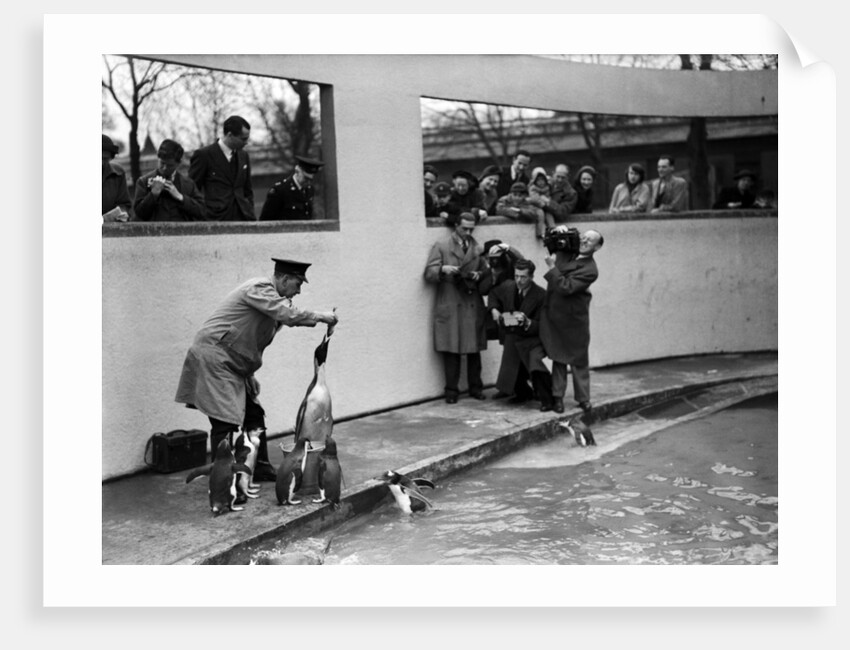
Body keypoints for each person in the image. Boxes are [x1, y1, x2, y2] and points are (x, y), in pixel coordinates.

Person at [175, 258, 339, 480]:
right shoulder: (260, 288)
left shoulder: (272, 301)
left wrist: (249, 374)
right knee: (224, 420)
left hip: (232, 365)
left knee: (254, 415)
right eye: (298, 284)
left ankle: (260, 468)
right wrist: (320, 316)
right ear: (283, 279)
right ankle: (221, 480)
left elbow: (247, 339)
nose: (298, 291)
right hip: (214, 358)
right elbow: (288, 316)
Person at [423, 213, 490, 404]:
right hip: (451, 300)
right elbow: (429, 273)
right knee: (451, 349)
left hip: (471, 301)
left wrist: (479, 275)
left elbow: (487, 271)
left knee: (474, 349)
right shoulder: (442, 245)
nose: (468, 232)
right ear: (456, 226)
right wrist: (443, 269)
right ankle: (451, 391)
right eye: (464, 228)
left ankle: (476, 387)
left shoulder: (477, 248)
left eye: (471, 229)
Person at [540, 227, 604, 414]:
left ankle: (583, 399)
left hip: (575, 319)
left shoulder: (590, 269)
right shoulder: (568, 249)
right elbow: (549, 240)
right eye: (583, 238)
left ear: (597, 247)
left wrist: (552, 268)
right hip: (556, 314)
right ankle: (557, 398)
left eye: (589, 241)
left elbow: (566, 287)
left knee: (579, 360)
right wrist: (556, 229)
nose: (584, 242)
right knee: (558, 358)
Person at [488, 259, 554, 411]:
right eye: (516, 276)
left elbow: (544, 325)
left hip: (533, 339)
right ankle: (523, 393)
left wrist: (527, 322)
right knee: (510, 366)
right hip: (512, 336)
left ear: (531, 277)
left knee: (534, 363)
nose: (519, 280)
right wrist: (494, 309)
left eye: (523, 277)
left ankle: (547, 400)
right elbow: (493, 293)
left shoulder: (541, 295)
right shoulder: (509, 286)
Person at [189, 115, 255, 221]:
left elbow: (247, 189)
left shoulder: (244, 156)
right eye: (243, 139)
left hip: (243, 218)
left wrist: (249, 209)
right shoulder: (204, 155)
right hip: (215, 220)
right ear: (230, 135)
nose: (246, 142)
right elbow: (192, 189)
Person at [132, 139, 206, 222]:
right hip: (154, 233)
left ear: (179, 163)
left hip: (182, 233)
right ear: (158, 158)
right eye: (162, 163)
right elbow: (139, 215)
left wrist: (180, 197)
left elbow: (202, 212)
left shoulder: (188, 184)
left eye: (170, 165)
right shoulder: (143, 182)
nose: (164, 168)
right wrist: (153, 195)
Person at [481, 239, 525, 342]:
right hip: (503, 317)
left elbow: (522, 262)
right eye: (488, 258)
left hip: (518, 311)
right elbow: (483, 290)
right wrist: (493, 277)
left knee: (517, 343)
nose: (491, 261)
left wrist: (509, 249)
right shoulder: (490, 271)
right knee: (509, 343)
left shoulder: (511, 265)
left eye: (494, 258)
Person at [260, 155, 325, 221]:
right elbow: (265, 220)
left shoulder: (309, 190)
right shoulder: (280, 190)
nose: (308, 182)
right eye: (306, 178)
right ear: (297, 171)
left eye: (311, 180)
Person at [102, 134, 131, 222]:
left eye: (105, 159)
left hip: (112, 229)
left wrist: (123, 213)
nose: (101, 163)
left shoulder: (118, 172)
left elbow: (124, 204)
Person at [527, 167, 556, 236]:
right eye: (538, 180)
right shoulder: (532, 188)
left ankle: (553, 229)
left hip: (545, 206)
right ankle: (540, 232)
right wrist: (544, 203)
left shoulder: (547, 187)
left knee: (549, 215)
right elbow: (534, 199)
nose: (541, 182)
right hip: (536, 206)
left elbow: (549, 195)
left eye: (543, 180)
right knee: (541, 214)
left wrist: (548, 201)